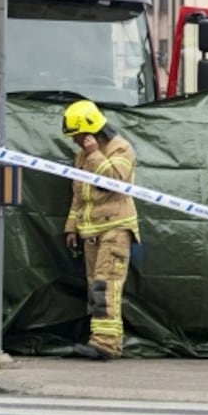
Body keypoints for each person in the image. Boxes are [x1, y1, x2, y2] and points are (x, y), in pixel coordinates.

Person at [62, 100, 138, 361]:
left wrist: (95, 154)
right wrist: (72, 226)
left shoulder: (121, 148)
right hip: (91, 232)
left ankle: (106, 344)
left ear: (91, 131)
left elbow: (116, 183)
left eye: (78, 136)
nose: (75, 141)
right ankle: (102, 339)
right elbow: (79, 195)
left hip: (115, 229)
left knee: (106, 287)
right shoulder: (82, 156)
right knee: (95, 287)